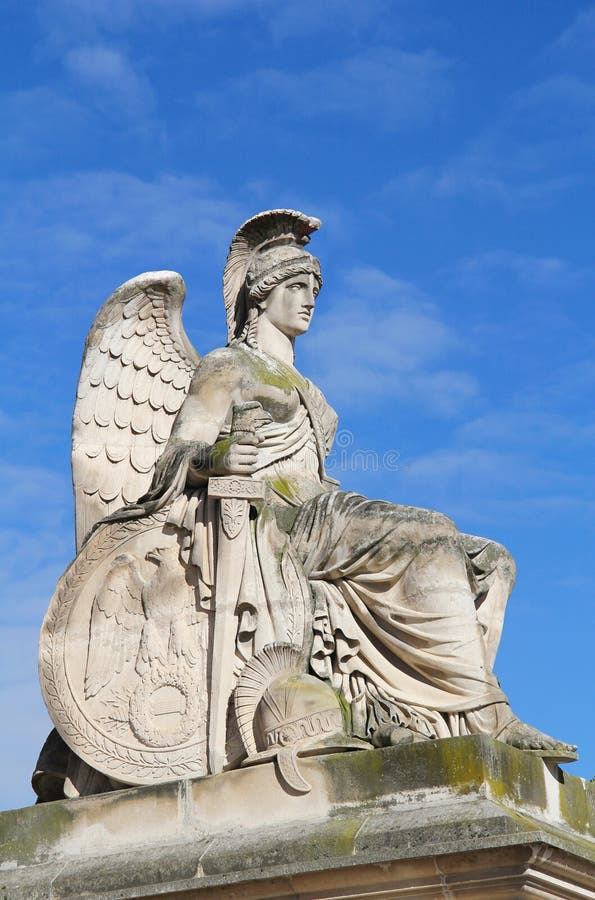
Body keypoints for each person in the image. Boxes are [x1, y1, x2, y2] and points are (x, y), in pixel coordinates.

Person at [122, 209, 575, 754]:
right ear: (261, 295)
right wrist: (216, 456)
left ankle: (425, 708)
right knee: (431, 532)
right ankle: (486, 717)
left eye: (314, 287)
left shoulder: (304, 384)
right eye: (296, 286)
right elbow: (176, 455)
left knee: (493, 561)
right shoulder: (227, 365)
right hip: (280, 518)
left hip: (326, 507)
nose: (310, 299)